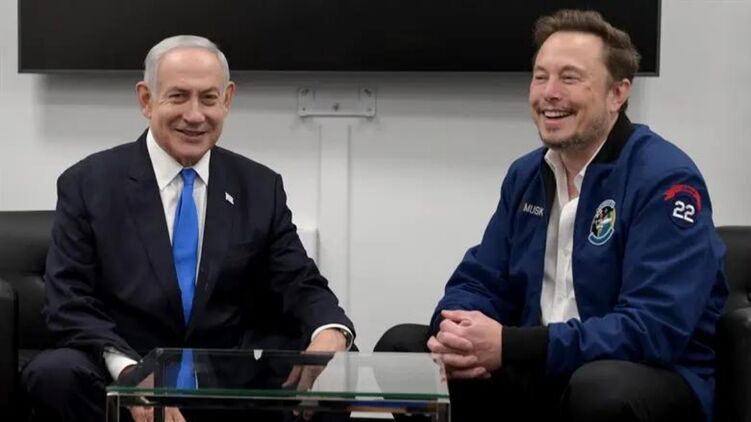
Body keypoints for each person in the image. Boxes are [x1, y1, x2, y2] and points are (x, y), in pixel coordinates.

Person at [21, 35, 355, 422]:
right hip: (124, 377)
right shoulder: (88, 184)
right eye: (178, 96)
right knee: (54, 373)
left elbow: (299, 281)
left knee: (332, 368)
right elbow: (68, 302)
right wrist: (130, 373)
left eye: (208, 98)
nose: (195, 115)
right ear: (146, 100)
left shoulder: (260, 187)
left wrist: (330, 331)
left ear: (227, 100)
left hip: (227, 387)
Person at [425, 9, 727, 422]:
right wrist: (455, 329)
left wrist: (513, 346)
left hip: (645, 375)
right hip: (542, 366)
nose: (549, 93)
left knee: (597, 389)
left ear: (617, 93)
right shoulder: (526, 175)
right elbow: (481, 278)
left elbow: (653, 328)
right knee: (408, 348)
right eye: (540, 77)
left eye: (569, 78)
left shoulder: (665, 178)